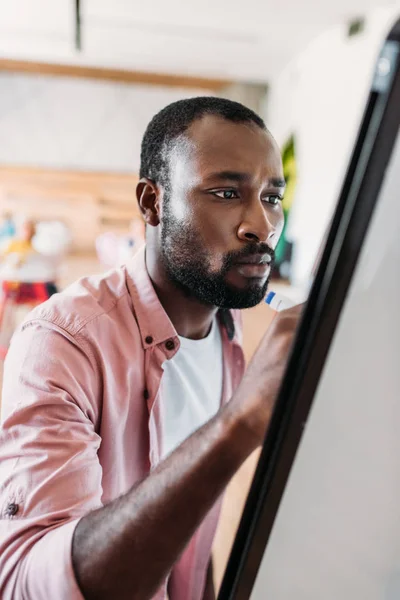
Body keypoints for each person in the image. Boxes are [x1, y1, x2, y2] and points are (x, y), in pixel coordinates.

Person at [0, 97, 302, 600]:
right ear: (151, 202)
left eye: (272, 197)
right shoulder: (62, 341)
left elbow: (188, 541)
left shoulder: (231, 331)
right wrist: (240, 423)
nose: (262, 225)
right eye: (227, 192)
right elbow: (27, 582)